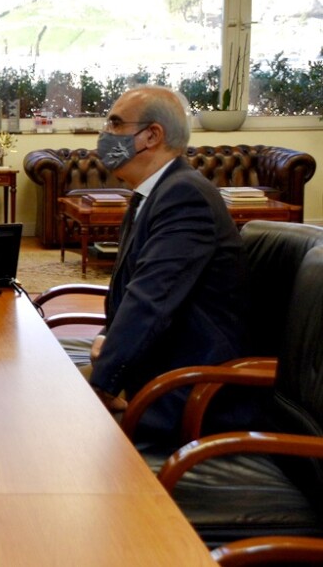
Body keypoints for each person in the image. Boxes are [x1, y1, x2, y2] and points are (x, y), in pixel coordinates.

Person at [89, 85, 251, 439]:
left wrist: (100, 387)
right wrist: (107, 338)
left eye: (115, 124)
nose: (105, 135)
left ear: (151, 136)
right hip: (153, 375)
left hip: (186, 396)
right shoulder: (150, 194)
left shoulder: (184, 195)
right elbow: (132, 292)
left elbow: (151, 300)